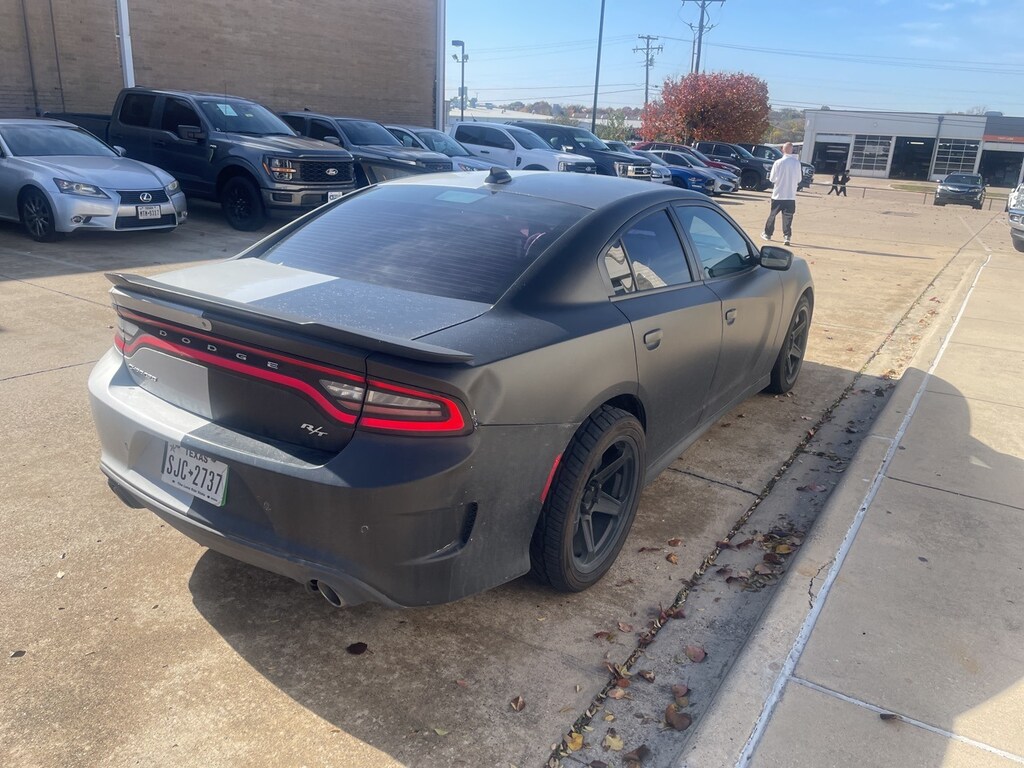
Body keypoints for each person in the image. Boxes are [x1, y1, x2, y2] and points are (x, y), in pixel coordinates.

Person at [761, 142, 802, 246]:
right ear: (792, 150)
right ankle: (787, 236)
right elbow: (799, 179)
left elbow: (772, 178)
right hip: (790, 195)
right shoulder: (796, 163)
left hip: (778, 194)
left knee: (773, 214)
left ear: (782, 150)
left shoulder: (778, 163)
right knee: (788, 217)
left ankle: (768, 233)